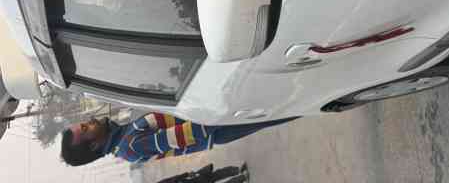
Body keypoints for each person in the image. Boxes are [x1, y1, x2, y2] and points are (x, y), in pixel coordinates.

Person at [60, 114, 292, 167]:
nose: (89, 119)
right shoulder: (130, 145)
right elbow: (185, 135)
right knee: (280, 111)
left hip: (217, 119)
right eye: (85, 127)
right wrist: (226, 112)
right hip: (218, 124)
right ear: (93, 145)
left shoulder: (124, 137)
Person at [157, 162, 250, 183]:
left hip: (191, 181)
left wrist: (186, 174)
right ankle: (241, 177)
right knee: (215, 175)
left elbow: (172, 179)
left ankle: (238, 171)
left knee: (215, 175)